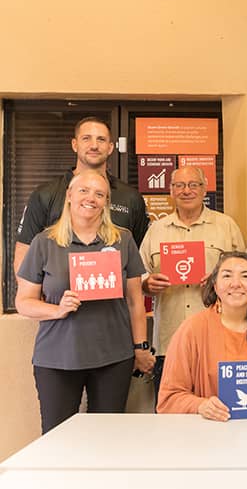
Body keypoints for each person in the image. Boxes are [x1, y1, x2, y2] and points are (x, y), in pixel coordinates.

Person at [15, 170, 155, 434]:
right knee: (57, 439)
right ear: (69, 195)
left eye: (99, 194)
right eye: (83, 191)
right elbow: (23, 302)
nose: (91, 198)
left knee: (106, 439)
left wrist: (140, 347)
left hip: (114, 358)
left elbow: (136, 301)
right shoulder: (44, 242)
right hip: (57, 358)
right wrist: (58, 309)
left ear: (106, 201)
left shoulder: (122, 240)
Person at [139, 166, 244, 402]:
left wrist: (221, 279)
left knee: (220, 410)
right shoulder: (156, 230)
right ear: (171, 191)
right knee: (170, 414)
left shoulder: (226, 226)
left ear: (204, 188)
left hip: (218, 339)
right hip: (169, 339)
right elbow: (139, 273)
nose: (187, 191)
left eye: (193, 185)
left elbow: (246, 274)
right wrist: (147, 284)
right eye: (179, 186)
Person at [157, 252, 247, 420]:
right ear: (214, 285)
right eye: (227, 275)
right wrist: (201, 405)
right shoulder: (192, 330)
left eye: (245, 276)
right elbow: (168, 399)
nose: (236, 284)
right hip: (209, 435)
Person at [15, 116, 149, 274]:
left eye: (101, 140)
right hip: (57, 298)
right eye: (86, 138)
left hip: (114, 297)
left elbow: (140, 257)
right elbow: (24, 255)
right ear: (74, 144)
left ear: (111, 147)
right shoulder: (44, 194)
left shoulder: (131, 197)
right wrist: (37, 298)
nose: (94, 145)